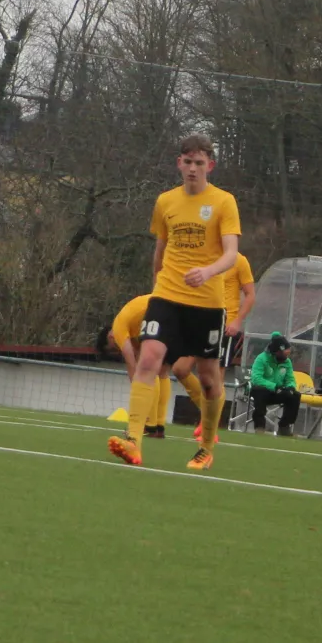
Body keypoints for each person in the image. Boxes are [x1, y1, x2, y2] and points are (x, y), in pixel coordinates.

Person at [108, 134, 239, 471]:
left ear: (210, 165)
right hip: (167, 295)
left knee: (208, 378)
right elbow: (161, 247)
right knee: (149, 358)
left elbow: (231, 254)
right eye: (188, 162)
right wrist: (156, 287)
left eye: (199, 163)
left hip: (207, 303)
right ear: (179, 163)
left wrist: (207, 271)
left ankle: (205, 448)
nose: (193, 168)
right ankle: (133, 440)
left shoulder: (224, 202)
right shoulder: (165, 201)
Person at [105, 294, 204, 438]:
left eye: (114, 348)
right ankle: (159, 425)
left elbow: (131, 362)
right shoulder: (133, 325)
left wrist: (138, 389)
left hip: (169, 312)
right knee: (163, 370)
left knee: (150, 370)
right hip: (182, 311)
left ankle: (150, 425)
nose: (118, 349)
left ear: (110, 337)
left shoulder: (118, 329)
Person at [245, 332, 301, 437]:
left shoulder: (287, 362)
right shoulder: (261, 358)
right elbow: (256, 379)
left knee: (295, 396)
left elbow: (290, 379)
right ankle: (260, 427)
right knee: (259, 390)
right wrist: (274, 386)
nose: (287, 356)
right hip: (264, 391)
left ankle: (284, 426)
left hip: (278, 392)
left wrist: (290, 387)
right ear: (277, 352)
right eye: (285, 353)